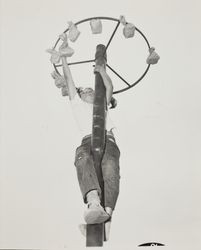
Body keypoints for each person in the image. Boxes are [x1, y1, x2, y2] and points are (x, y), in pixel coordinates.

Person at [52, 34, 120, 240]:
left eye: (92, 89)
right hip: (87, 141)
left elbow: (109, 88)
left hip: (108, 140)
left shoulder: (103, 104)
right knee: (82, 159)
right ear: (81, 95)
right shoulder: (78, 104)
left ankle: (107, 215)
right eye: (87, 90)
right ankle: (93, 202)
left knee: (110, 168)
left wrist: (102, 71)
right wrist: (63, 59)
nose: (91, 91)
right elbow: (70, 81)